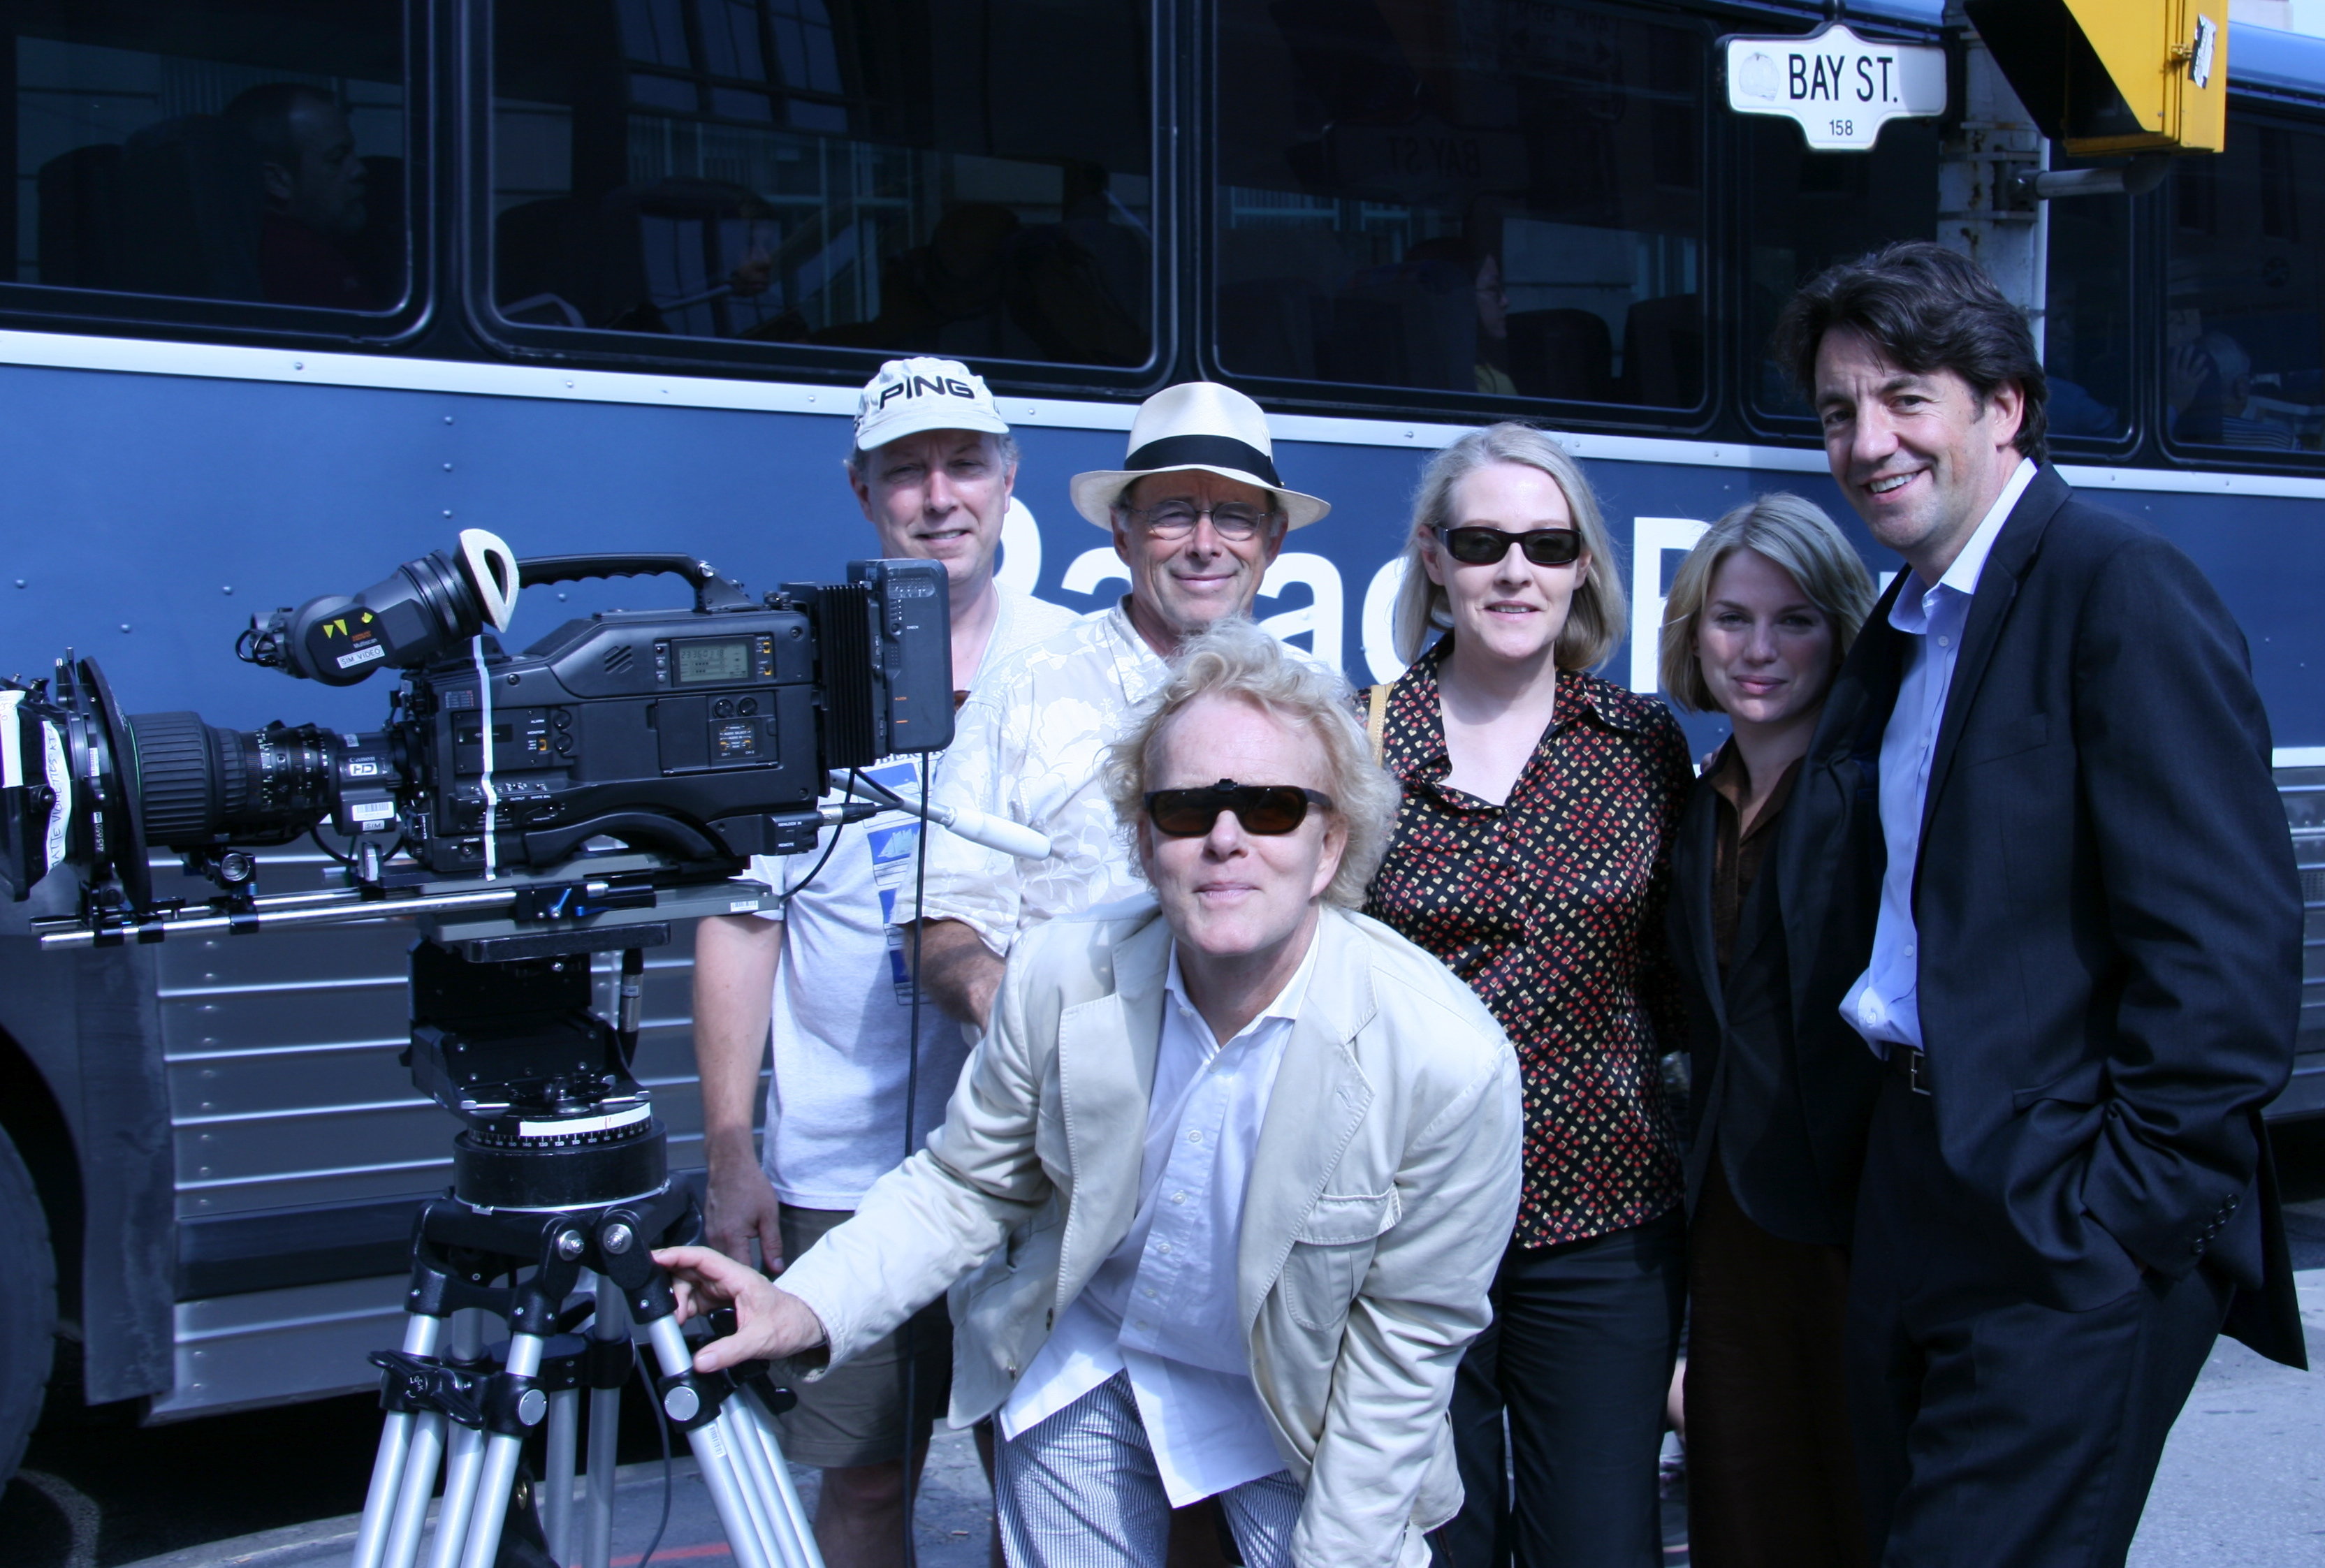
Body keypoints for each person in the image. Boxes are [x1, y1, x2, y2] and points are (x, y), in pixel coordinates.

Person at [657, 620, 1524, 1568]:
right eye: (1188, 808)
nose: (1226, 840)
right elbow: (967, 1186)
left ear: (1329, 848)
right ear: (1143, 841)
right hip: (1092, 1366)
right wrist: (803, 1306)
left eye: (1273, 807)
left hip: (1304, 1406)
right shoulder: (1060, 973)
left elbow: (1403, 1344)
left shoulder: (1447, 1061)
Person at [1773, 240, 2306, 1567]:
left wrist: (2114, 1220)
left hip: (2055, 1217)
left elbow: (2226, 952)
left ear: (2000, 407)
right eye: (1838, 411)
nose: (1865, 442)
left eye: (1905, 398)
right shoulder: (1906, 620)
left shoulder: (2114, 589)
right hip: (1911, 1190)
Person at [689, 358, 1077, 1568]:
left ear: (1011, 480)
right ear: (861, 492)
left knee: (1055, 1486)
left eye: (965, 464)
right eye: (905, 472)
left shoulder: (1080, 663)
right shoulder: (789, 673)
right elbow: (742, 922)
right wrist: (731, 1149)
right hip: (844, 1170)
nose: (938, 495)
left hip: (1042, 1161)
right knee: (861, 1490)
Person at [1359, 422, 1693, 1567]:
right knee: (1432, 1548)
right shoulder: (1356, 742)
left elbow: (1686, 988)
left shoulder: (1639, 744)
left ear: (1582, 565)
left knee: (1599, 1548)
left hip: (1600, 1230)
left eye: (1546, 544)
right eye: (1483, 540)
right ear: (1432, 556)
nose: (1516, 570)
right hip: (1403, 1228)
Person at [903, 380, 1330, 1034]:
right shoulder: (1021, 692)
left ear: (1271, 543)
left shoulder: (1321, 706)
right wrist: (1007, 1010)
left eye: (1236, 517)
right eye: (1174, 513)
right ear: (1123, 535)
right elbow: (939, 913)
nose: (1206, 544)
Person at [1655, 494, 1881, 1568]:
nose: (1758, 650)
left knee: (1859, 1512)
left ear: (1840, 628)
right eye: (1731, 618)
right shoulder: (1698, 803)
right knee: (1743, 1520)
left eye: (1793, 620)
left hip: (1858, 1226)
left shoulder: (1877, 793)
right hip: (1733, 1235)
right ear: (1694, 632)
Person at [221, 83, 377, 309]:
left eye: (353, 153)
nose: (360, 169)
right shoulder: (301, 264)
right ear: (276, 181)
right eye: (337, 159)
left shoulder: (246, 242)